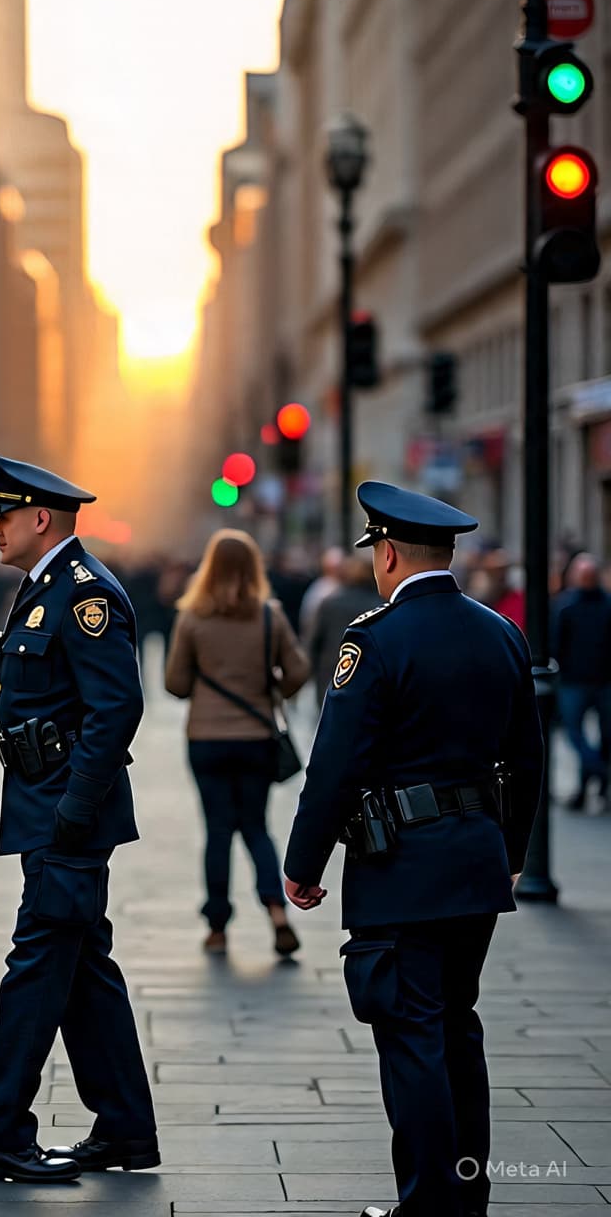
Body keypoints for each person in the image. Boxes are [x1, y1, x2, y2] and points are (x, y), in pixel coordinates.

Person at [283, 481, 542, 1217]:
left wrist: (303, 865)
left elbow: (335, 766)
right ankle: (465, 1196)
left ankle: (430, 1204)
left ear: (388, 552)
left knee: (414, 1037)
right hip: (476, 860)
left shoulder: (377, 640)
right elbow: (526, 759)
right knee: (458, 1029)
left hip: (402, 866)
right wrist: (512, 851)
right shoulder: (501, 632)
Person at [0, 455, 157, 1184]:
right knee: (82, 967)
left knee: (38, 964)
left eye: (4, 517)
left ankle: (0, 1136)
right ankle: (125, 1130)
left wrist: (76, 808)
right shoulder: (43, 587)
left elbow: (118, 708)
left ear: (39, 519)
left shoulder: (82, 593)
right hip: (49, 805)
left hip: (66, 813)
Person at [163, 529, 311, 957]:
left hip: (207, 738)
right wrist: (271, 690)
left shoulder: (192, 618)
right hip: (256, 736)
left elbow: (174, 683)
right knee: (256, 827)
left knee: (218, 832)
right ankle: (277, 914)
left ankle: (217, 926)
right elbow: (298, 670)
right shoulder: (270, 615)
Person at [551, 552, 611, 811]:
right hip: (574, 681)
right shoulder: (565, 605)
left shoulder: (607, 604)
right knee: (575, 734)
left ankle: (591, 787)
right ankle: (600, 771)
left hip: (604, 681)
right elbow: (556, 642)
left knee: (606, 736)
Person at [308, 556, 379, 704]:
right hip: (370, 677)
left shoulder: (330, 603)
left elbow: (315, 642)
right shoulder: (381, 606)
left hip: (332, 672)